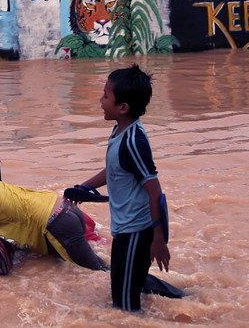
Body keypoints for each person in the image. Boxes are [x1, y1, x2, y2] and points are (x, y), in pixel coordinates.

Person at [68, 64, 172, 312]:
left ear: (122, 107)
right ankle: (183, 297)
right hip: (126, 228)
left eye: (106, 96)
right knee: (125, 286)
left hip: (138, 230)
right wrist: (84, 187)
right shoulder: (119, 131)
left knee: (125, 306)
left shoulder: (133, 142)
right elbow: (114, 171)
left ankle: (183, 303)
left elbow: (154, 191)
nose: (100, 100)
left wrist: (158, 241)